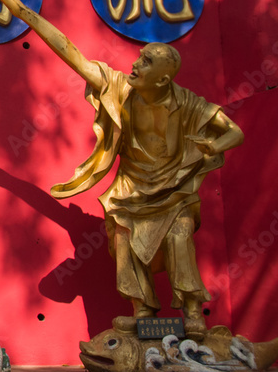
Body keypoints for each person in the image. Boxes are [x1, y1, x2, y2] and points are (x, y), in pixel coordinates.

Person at [43, 39, 243, 336]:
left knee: (180, 235)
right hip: (131, 188)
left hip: (175, 190)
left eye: (146, 61)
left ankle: (191, 312)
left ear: (163, 79)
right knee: (124, 238)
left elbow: (234, 132)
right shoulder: (121, 90)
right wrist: (22, 12)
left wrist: (213, 146)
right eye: (140, 57)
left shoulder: (189, 103)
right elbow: (75, 58)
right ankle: (143, 311)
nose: (135, 64)